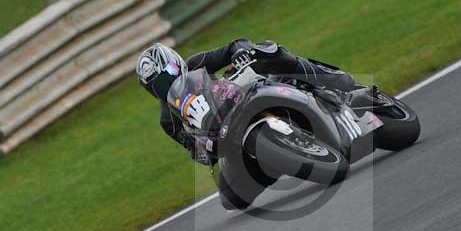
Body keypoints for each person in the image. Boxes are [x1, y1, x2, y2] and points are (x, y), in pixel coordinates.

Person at [135, 40, 356, 209]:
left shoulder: (197, 63)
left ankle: (325, 79)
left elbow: (233, 46)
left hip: (243, 96)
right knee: (231, 199)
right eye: (158, 85)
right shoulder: (168, 120)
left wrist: (241, 51)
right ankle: (277, 158)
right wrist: (201, 149)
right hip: (224, 136)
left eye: (169, 74)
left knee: (272, 53)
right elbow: (192, 148)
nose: (167, 83)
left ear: (176, 63)